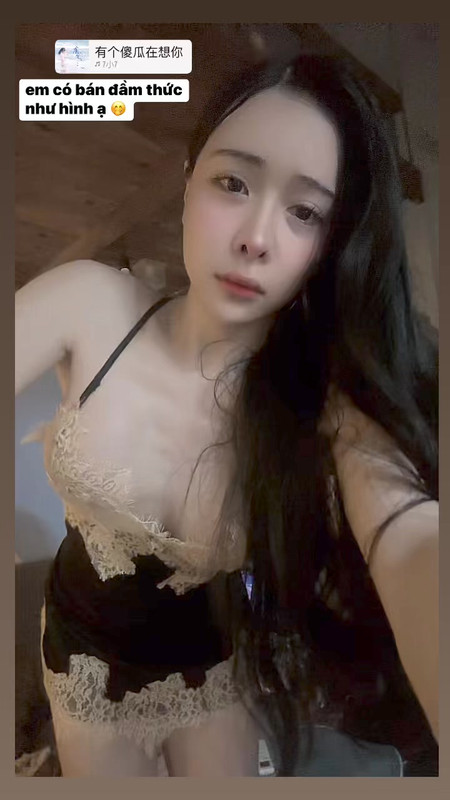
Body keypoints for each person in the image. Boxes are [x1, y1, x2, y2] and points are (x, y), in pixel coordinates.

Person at [15, 53, 438, 777]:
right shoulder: (89, 303)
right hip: (82, 660)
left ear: (331, 246)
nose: (256, 238)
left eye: (305, 212)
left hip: (210, 673)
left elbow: (407, 534)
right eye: (234, 183)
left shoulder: (321, 396)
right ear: (188, 183)